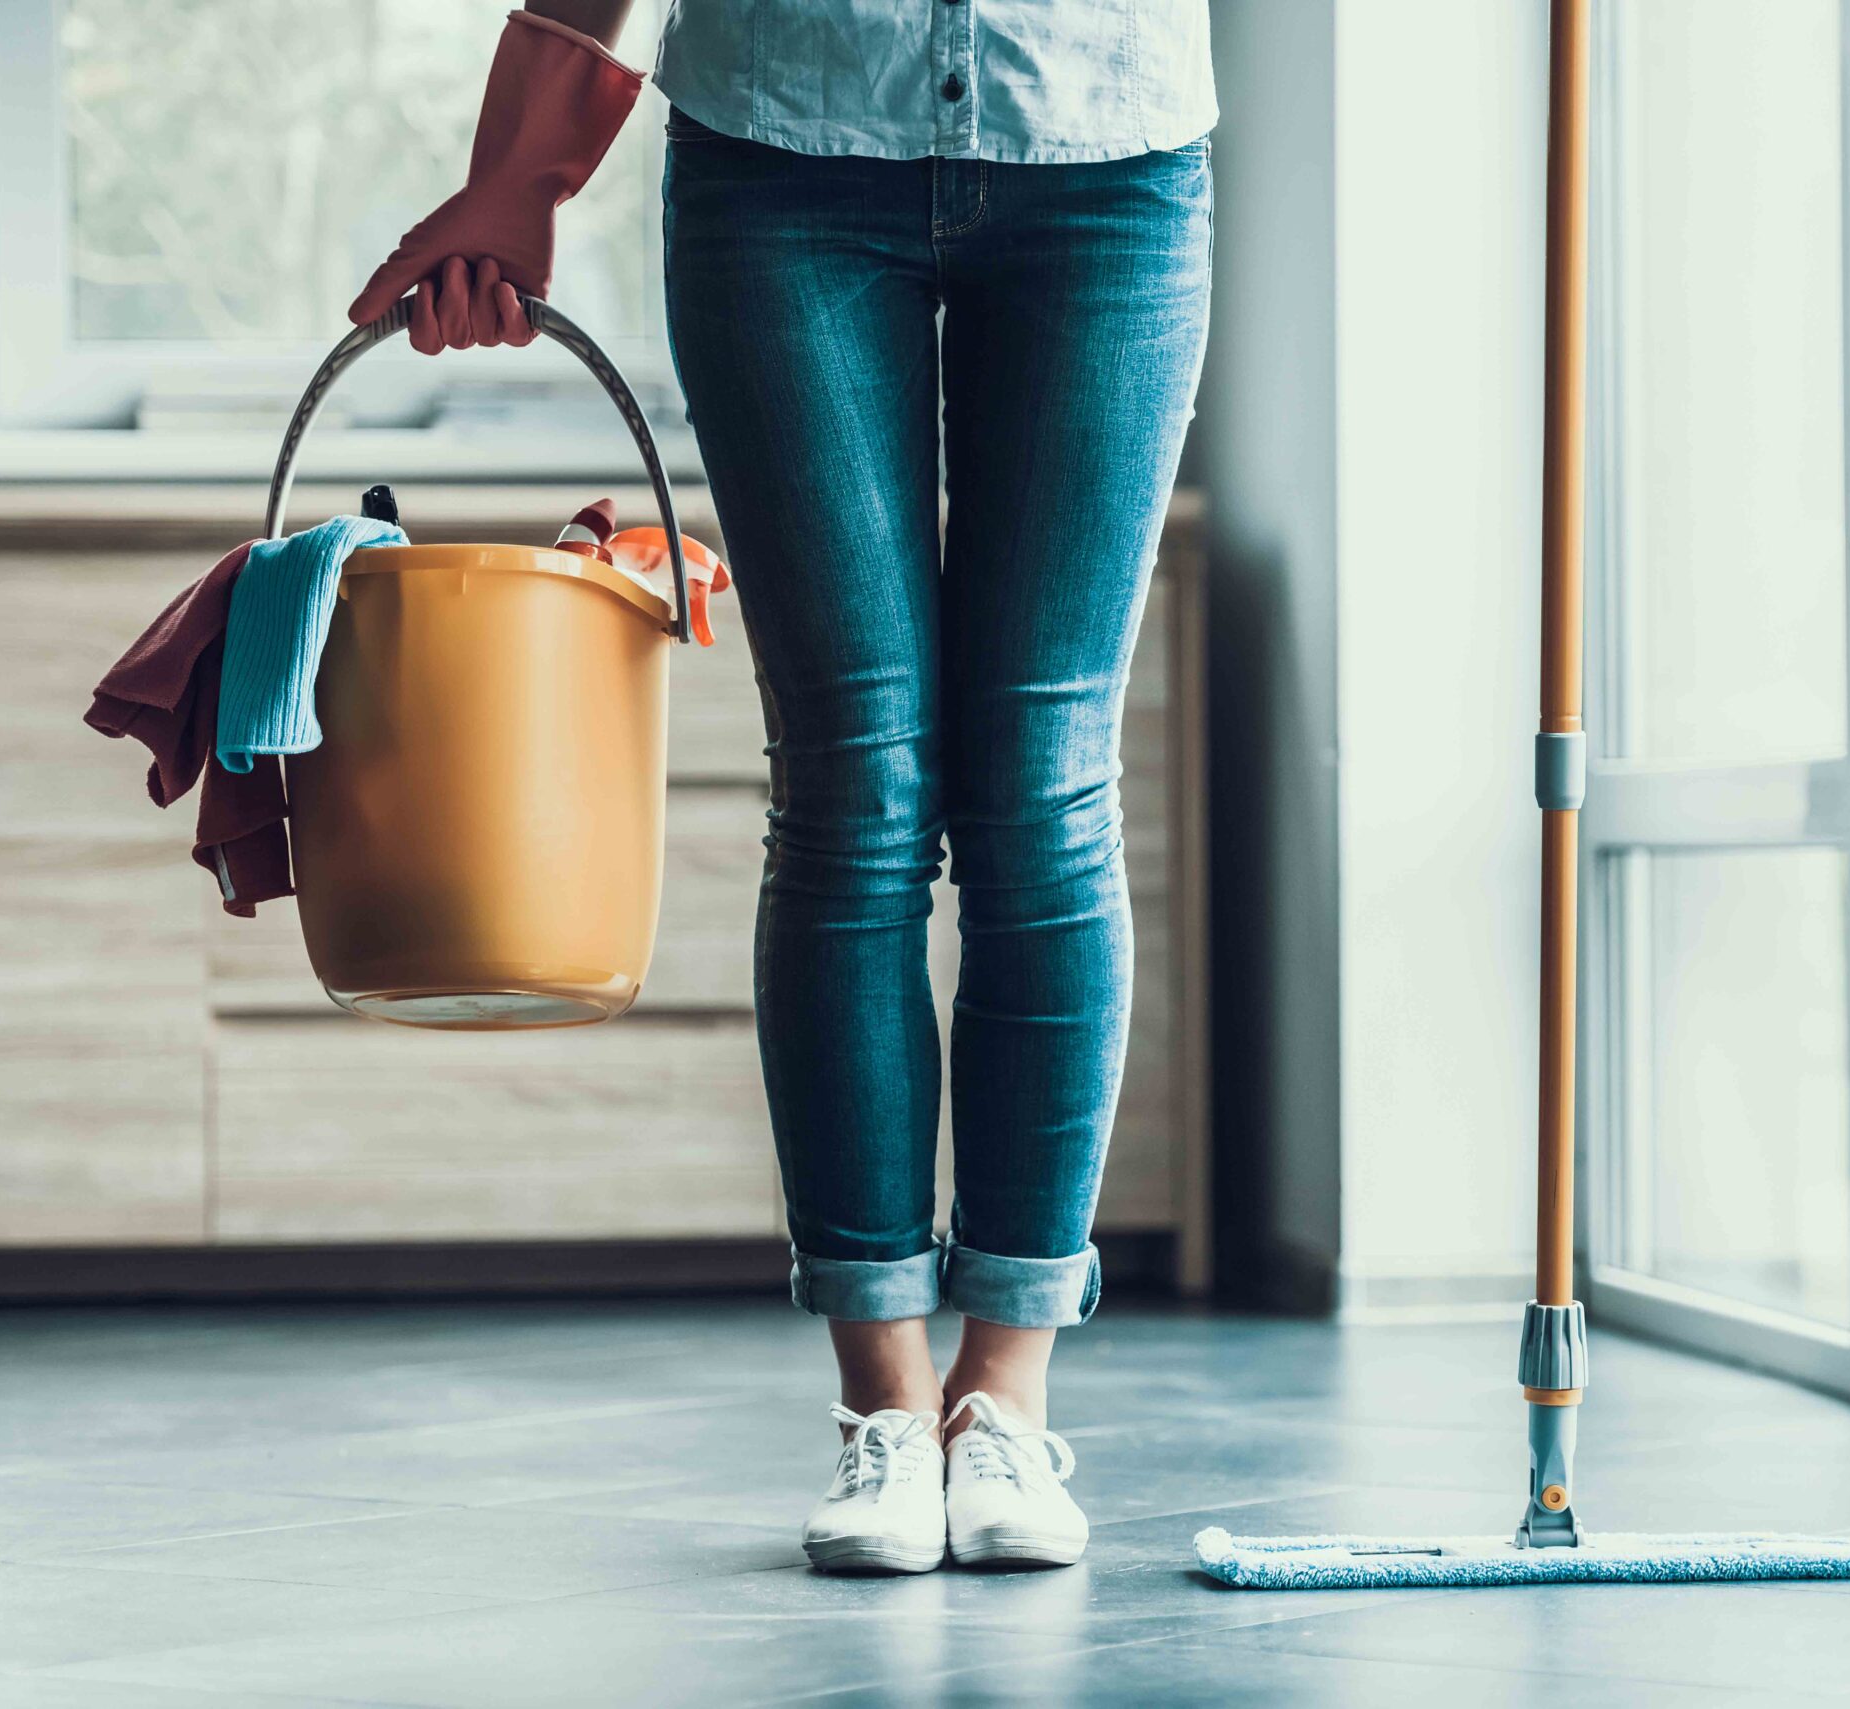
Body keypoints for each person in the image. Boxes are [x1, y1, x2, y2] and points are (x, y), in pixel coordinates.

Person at [350, 0, 1214, 1574]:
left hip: (1111, 148)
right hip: (784, 157)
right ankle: (884, 1404)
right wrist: (522, 171)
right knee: (858, 783)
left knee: (1042, 791)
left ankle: (1002, 1399)